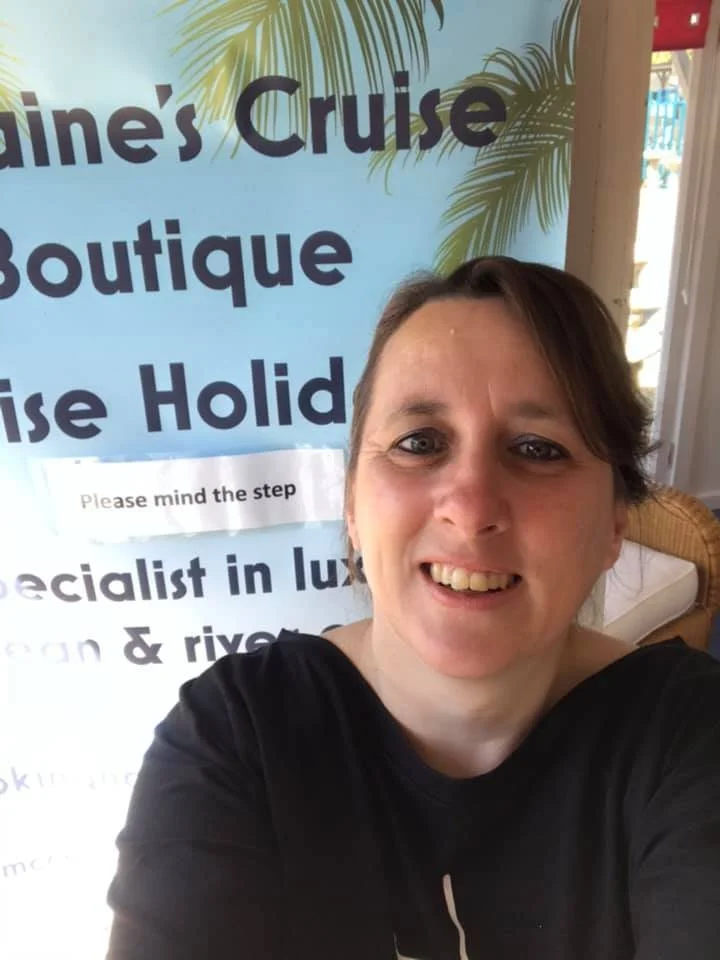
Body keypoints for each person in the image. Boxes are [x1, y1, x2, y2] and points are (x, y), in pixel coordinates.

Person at [105, 256, 720, 960]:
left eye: (538, 448)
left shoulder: (690, 741)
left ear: (615, 522)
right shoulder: (236, 735)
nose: (471, 508)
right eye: (419, 443)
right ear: (353, 506)